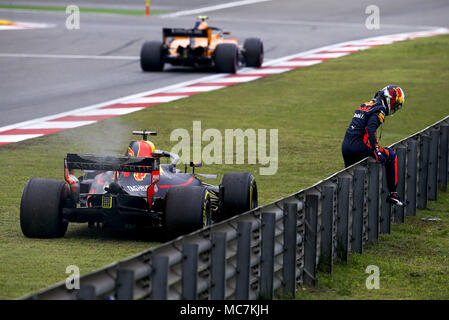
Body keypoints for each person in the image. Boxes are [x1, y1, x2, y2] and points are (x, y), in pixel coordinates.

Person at [341, 85, 406, 207]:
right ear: (389, 99)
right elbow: (370, 129)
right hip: (359, 146)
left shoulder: (365, 104)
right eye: (394, 104)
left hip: (346, 146)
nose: (394, 108)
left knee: (349, 182)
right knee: (391, 156)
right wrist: (376, 150)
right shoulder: (380, 109)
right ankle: (393, 195)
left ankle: (345, 206)